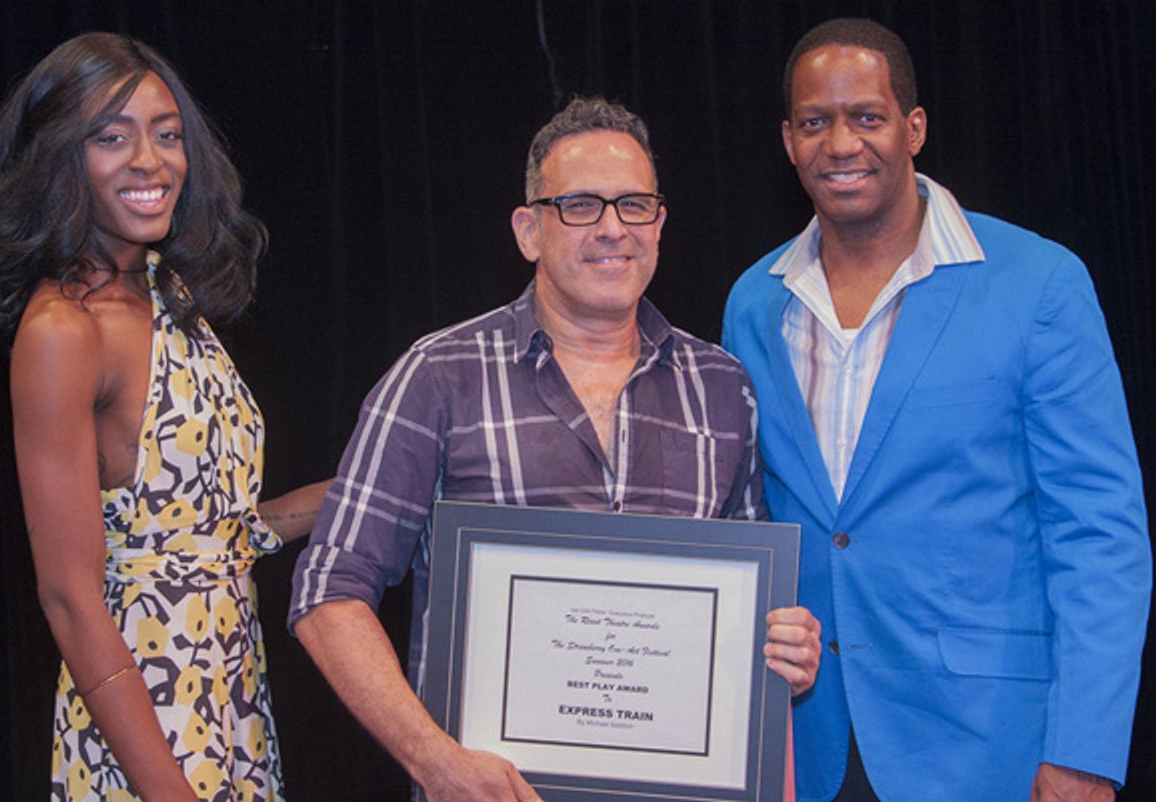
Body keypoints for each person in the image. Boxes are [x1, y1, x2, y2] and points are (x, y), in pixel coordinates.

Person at [290, 96, 822, 802]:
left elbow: (748, 606)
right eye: (579, 205)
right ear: (528, 230)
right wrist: (433, 760)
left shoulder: (722, 388)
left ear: (659, 223)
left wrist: (785, 644)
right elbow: (328, 593)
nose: (611, 229)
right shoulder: (439, 376)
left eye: (634, 205)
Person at [721, 17, 1150, 802]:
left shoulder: (1038, 282)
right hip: (805, 742)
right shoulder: (754, 301)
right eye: (816, 122)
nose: (841, 143)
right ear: (788, 140)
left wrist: (1086, 753)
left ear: (914, 127)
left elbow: (1101, 533)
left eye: (867, 117)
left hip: (989, 745)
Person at [0, 32, 327, 801]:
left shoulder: (166, 293)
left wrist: (390, 486)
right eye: (111, 136)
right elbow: (68, 596)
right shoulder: (64, 330)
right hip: (146, 734)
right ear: (61, 158)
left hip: (228, 698)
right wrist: (170, 791)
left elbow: (215, 535)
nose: (150, 161)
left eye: (166, 133)